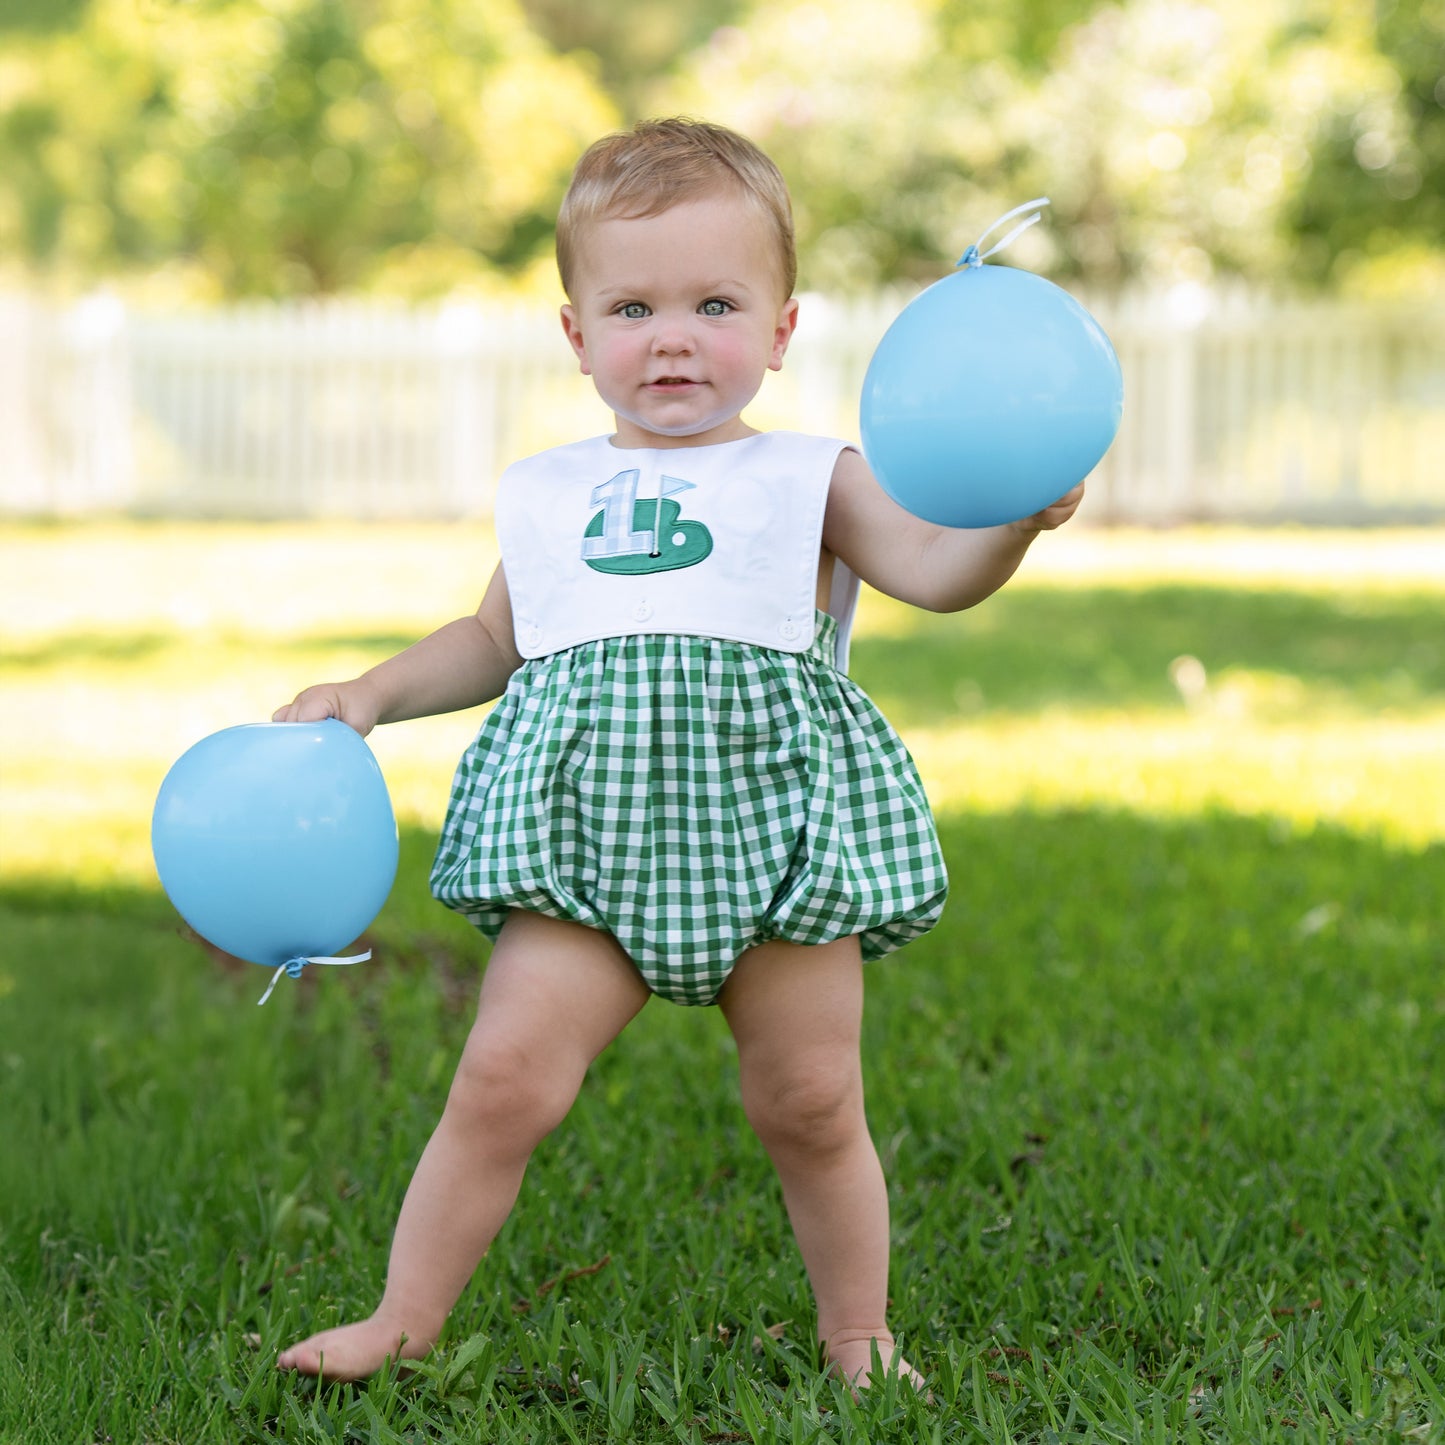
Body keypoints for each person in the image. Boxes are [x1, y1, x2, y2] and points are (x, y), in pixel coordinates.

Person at [272, 116, 1083, 1390]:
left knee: (809, 1099)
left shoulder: (812, 475)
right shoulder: (550, 494)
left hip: (772, 838)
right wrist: (370, 692)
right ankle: (401, 1317)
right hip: (588, 847)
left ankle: (859, 1336)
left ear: (779, 328)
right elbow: (492, 639)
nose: (671, 338)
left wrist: (1012, 526)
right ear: (575, 332)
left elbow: (932, 570)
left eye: (714, 304)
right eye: (632, 306)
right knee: (500, 1077)